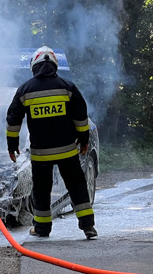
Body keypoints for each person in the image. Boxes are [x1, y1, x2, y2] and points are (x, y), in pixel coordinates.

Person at [6, 46, 97, 239]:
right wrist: (84, 141)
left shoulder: (25, 90)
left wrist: (12, 145)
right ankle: (88, 226)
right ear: (54, 66)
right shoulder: (67, 87)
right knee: (77, 186)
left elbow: (13, 120)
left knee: (41, 190)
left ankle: (42, 229)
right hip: (67, 151)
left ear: (34, 67)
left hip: (41, 153)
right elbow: (81, 118)